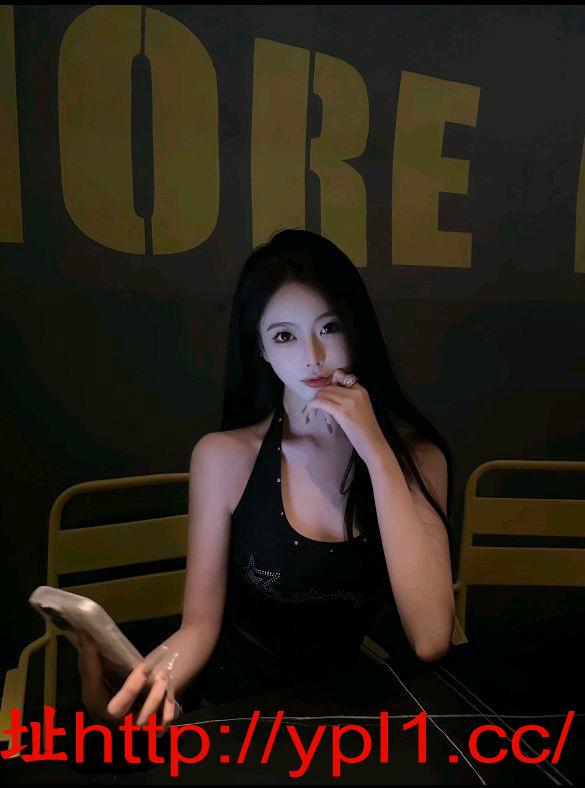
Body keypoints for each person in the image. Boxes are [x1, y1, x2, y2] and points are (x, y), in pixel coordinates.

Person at [77, 228, 456, 741]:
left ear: (356, 327)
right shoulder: (223, 457)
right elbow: (200, 625)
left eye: (330, 327)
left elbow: (431, 639)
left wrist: (375, 449)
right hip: (236, 715)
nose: (313, 356)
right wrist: (149, 685)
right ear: (260, 348)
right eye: (284, 336)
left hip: (347, 723)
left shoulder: (418, 459)